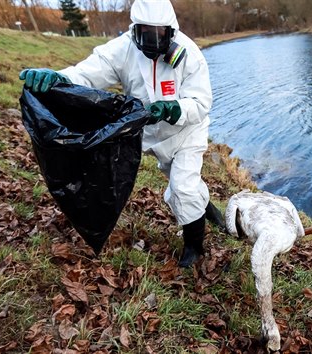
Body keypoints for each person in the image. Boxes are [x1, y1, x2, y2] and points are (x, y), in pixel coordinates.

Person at [18, 0, 226, 268]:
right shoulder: (123, 49)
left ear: (170, 31)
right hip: (150, 134)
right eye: (145, 33)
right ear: (134, 30)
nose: (152, 41)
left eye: (159, 34)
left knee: (183, 187)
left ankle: (194, 247)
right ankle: (206, 207)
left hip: (187, 132)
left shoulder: (190, 54)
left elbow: (201, 102)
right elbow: (89, 72)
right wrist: (59, 77)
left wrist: (174, 109)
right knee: (181, 183)